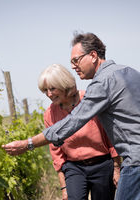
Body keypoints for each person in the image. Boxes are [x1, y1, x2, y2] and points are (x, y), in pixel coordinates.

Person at [2, 32, 140, 200]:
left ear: (93, 55)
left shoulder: (102, 83)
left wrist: (29, 144)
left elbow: (74, 120)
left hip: (139, 157)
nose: (73, 66)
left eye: (76, 60)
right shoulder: (131, 72)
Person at [38, 64, 120, 200]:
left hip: (102, 164)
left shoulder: (89, 101)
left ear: (64, 85)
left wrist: (117, 167)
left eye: (52, 89)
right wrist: (64, 187)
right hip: (74, 168)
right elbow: (56, 153)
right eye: (45, 90)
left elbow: (111, 136)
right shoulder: (49, 114)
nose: (49, 94)